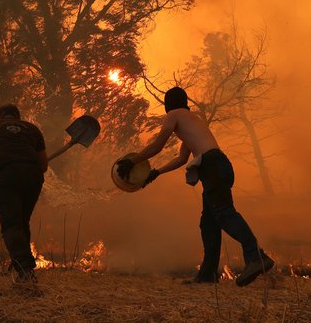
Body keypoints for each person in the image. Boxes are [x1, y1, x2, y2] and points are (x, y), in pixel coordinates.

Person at [116, 87, 274, 286]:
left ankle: (256, 257)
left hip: (213, 166)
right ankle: (207, 275)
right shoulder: (191, 120)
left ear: (168, 104)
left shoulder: (174, 115)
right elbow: (182, 158)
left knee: (225, 213)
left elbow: (157, 145)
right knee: (209, 224)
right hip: (218, 165)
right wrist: (155, 172)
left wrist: (133, 161)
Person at [0, 104, 48, 283]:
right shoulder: (32, 129)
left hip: (6, 176)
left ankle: (24, 269)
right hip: (33, 177)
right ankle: (19, 263)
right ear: (17, 117)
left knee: (11, 224)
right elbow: (43, 165)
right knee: (21, 221)